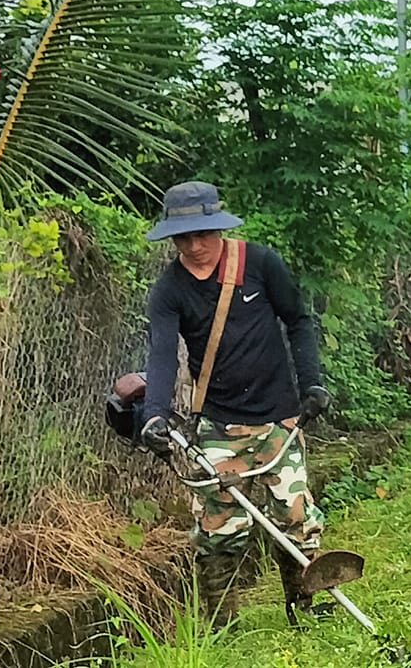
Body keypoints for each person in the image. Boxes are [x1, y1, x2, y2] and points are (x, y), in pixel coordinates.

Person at [136, 181, 333, 626]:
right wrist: (154, 416)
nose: (194, 246)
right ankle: (223, 625)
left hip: (280, 417)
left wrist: (313, 385)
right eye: (183, 238)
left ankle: (303, 606)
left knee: (296, 518)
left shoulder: (260, 264)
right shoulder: (169, 290)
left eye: (203, 234)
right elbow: (162, 354)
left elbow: (298, 321)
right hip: (219, 425)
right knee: (218, 528)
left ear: (219, 228)